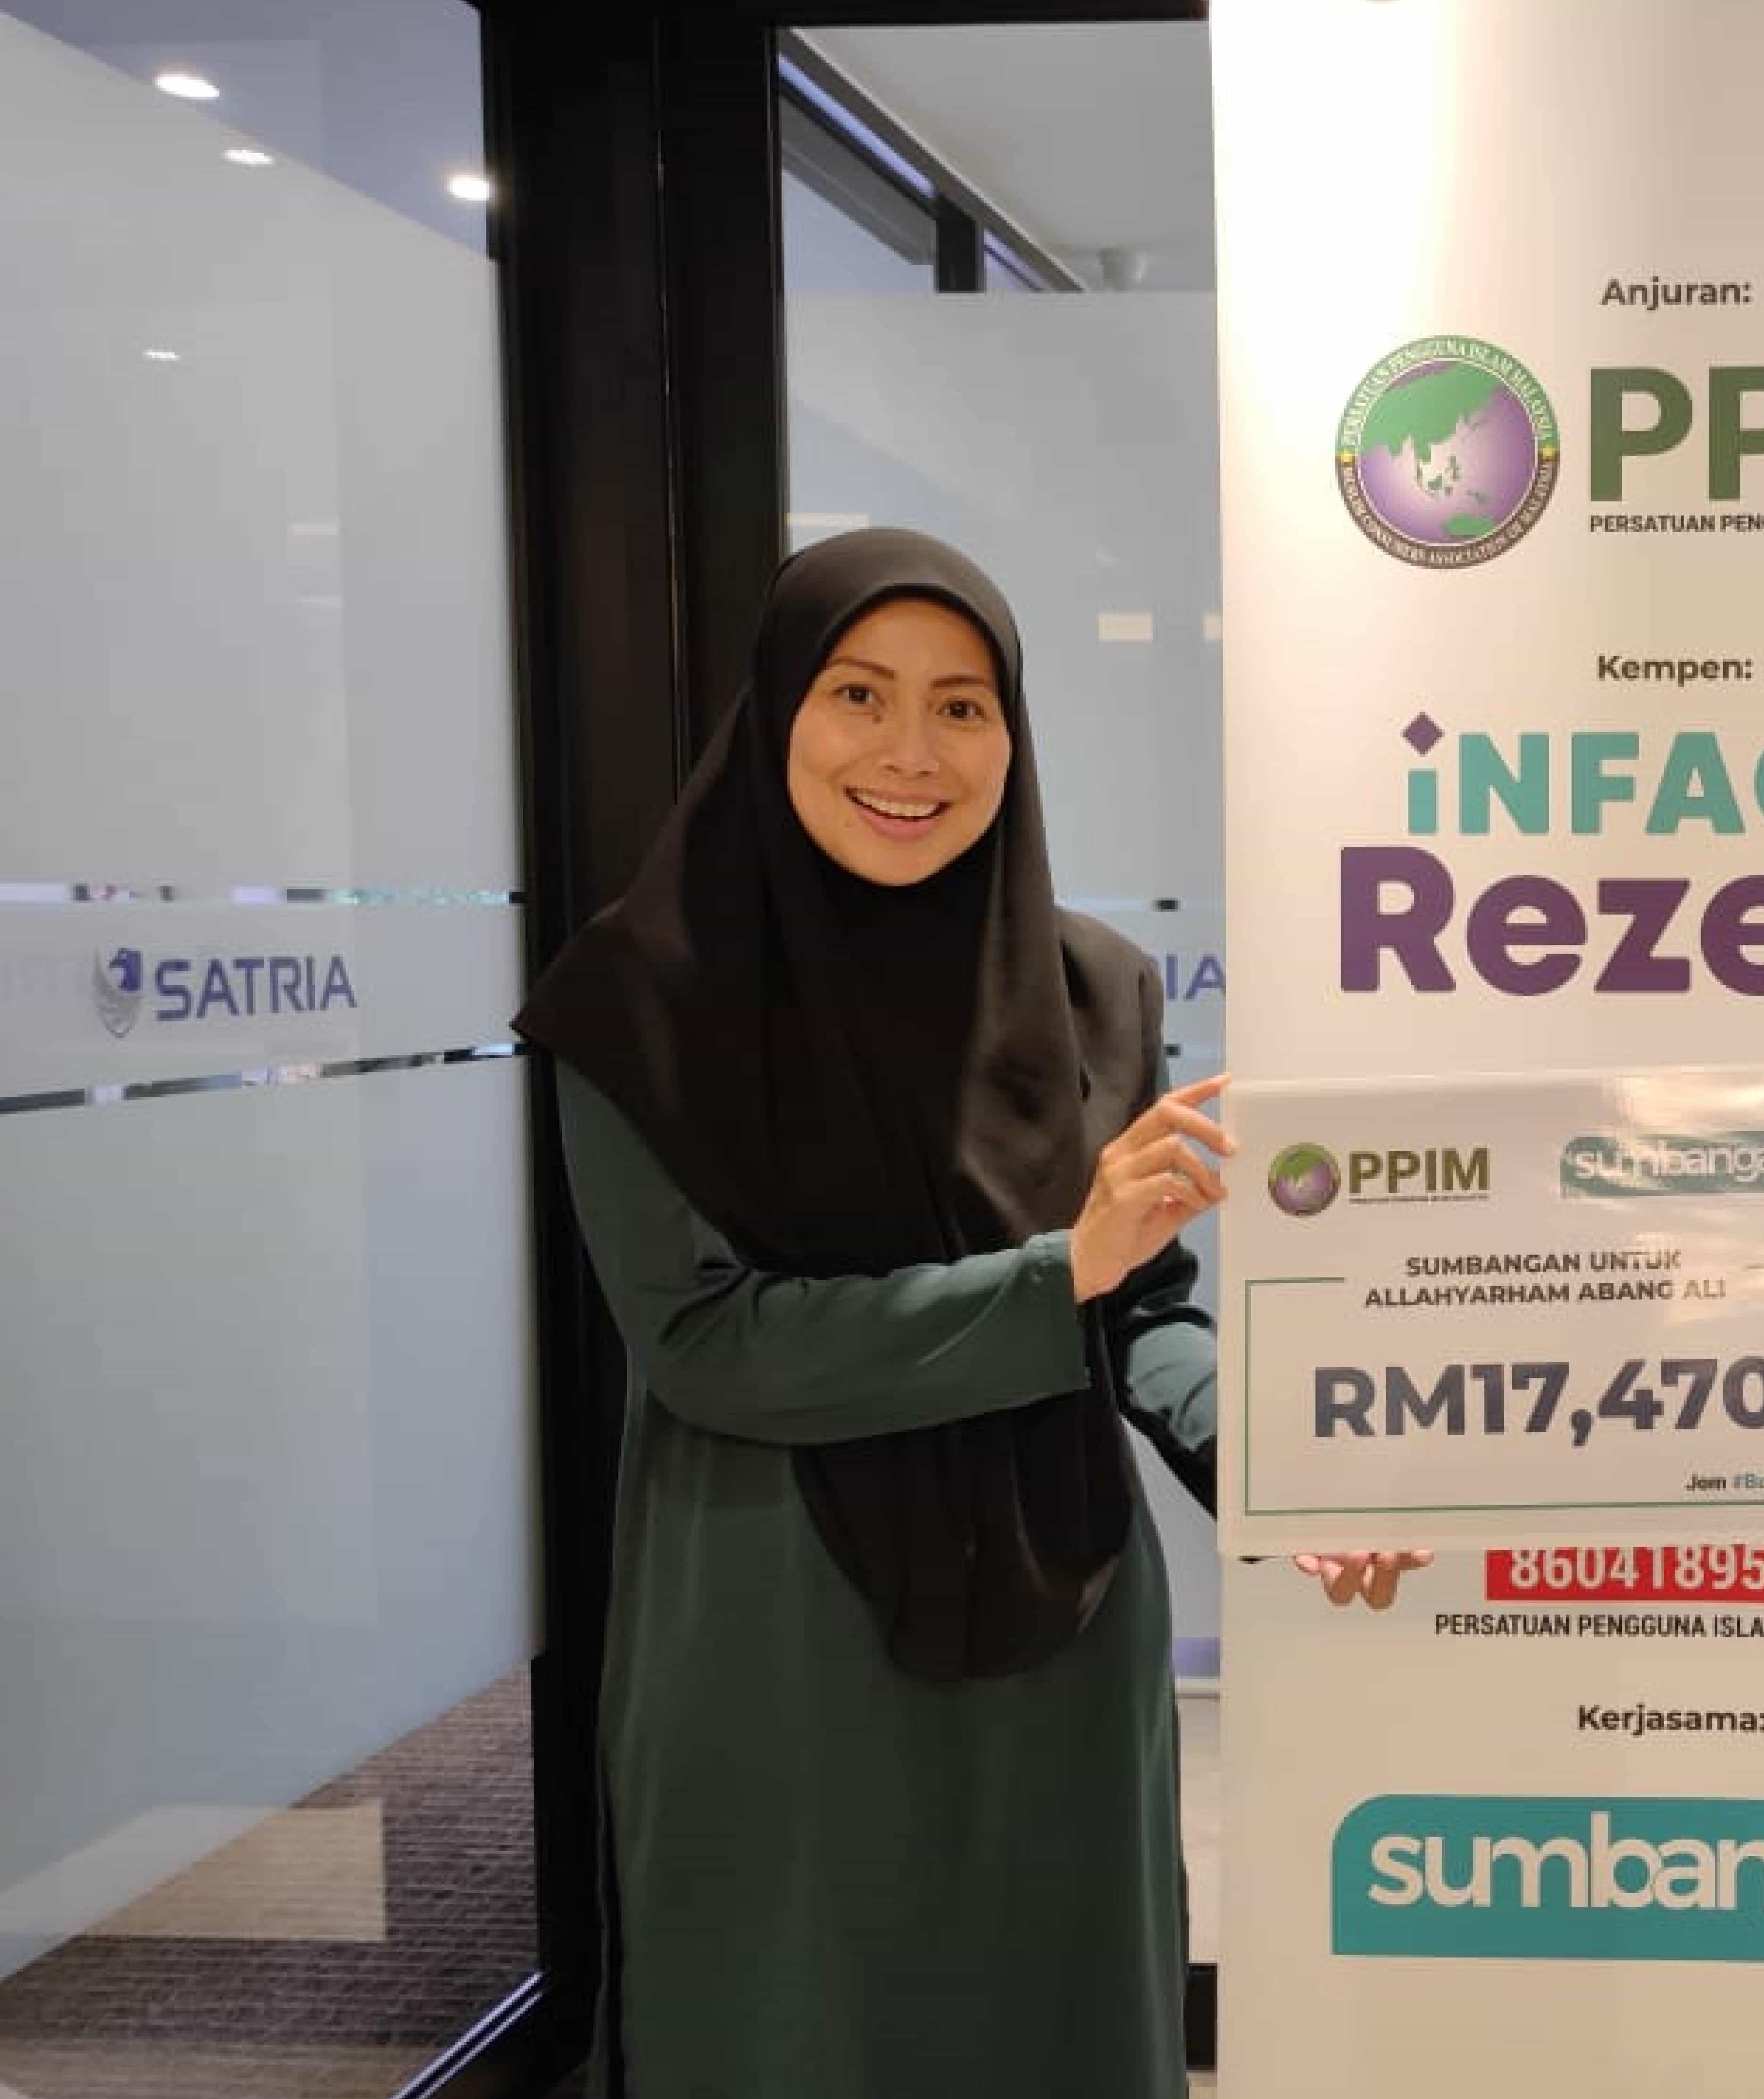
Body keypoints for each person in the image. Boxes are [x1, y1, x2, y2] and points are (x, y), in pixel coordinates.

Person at [516, 528, 1417, 2097]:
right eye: (859, 694)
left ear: (1013, 733)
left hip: (1060, 1614)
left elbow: (1144, 1309)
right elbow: (708, 1344)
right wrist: (1056, 1270)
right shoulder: (642, 999)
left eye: (962, 705)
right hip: (780, 1627)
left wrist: (1275, 1472)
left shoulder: (1096, 990)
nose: (911, 754)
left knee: (1054, 2023)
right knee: (794, 2029)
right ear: (778, 707)